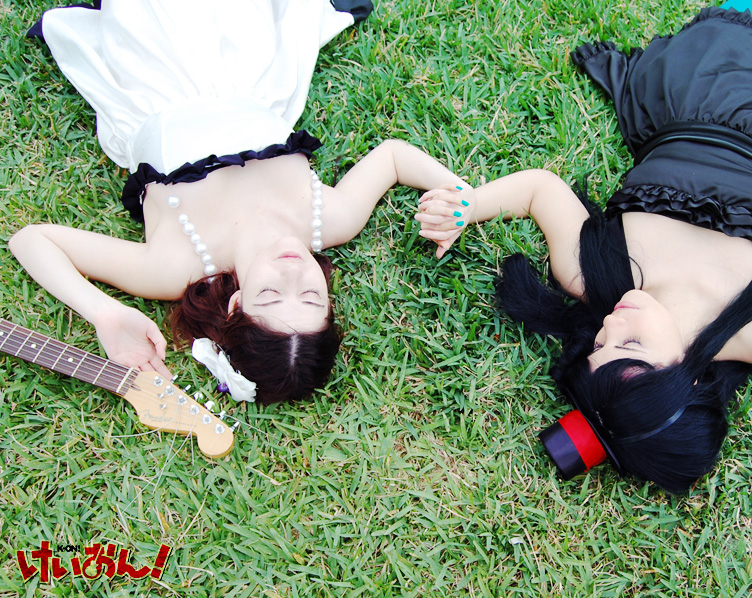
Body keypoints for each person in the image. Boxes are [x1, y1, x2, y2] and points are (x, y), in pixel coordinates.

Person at [415, 1, 752, 492]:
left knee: (747, 15)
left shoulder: (591, 277)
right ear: (688, 379)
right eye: (631, 345)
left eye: (598, 345)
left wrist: (471, 206)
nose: (611, 324)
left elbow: (541, 190)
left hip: (694, 93)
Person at [10, 0, 471, 404]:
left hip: (154, 59)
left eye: (270, 294)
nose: (293, 272)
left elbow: (32, 241)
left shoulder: (175, 266)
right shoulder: (333, 219)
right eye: (311, 295)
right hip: (245, 56)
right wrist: (464, 199)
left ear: (235, 306)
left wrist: (104, 312)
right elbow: (393, 157)